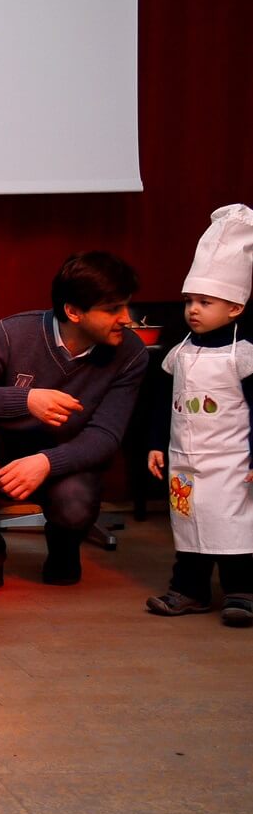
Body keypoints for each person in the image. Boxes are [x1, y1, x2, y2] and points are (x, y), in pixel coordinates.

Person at [0, 251, 149, 599]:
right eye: (113, 309)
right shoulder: (12, 333)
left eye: (126, 306)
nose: (126, 319)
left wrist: (46, 462)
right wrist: (26, 400)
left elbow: (106, 435)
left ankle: (64, 548)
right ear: (73, 312)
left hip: (67, 455)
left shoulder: (131, 354)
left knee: (74, 505)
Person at [146, 205, 253, 625]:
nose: (193, 309)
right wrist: (156, 444)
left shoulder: (242, 356)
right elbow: (162, 403)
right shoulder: (179, 352)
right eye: (189, 300)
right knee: (188, 525)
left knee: (232, 525)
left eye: (205, 302)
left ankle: (242, 591)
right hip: (184, 460)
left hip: (231, 463)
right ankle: (189, 590)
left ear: (235, 308)